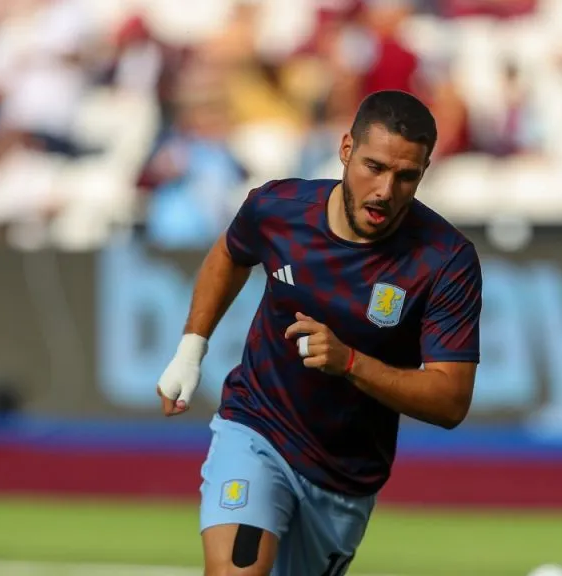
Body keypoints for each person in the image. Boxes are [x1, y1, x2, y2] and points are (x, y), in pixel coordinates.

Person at [155, 90, 482, 576]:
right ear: (346, 148)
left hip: (344, 475)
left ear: (424, 171)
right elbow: (229, 253)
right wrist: (190, 349)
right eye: (374, 166)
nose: (385, 191)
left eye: (406, 176)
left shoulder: (446, 260)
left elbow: (451, 400)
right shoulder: (279, 208)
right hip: (258, 427)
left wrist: (349, 362)